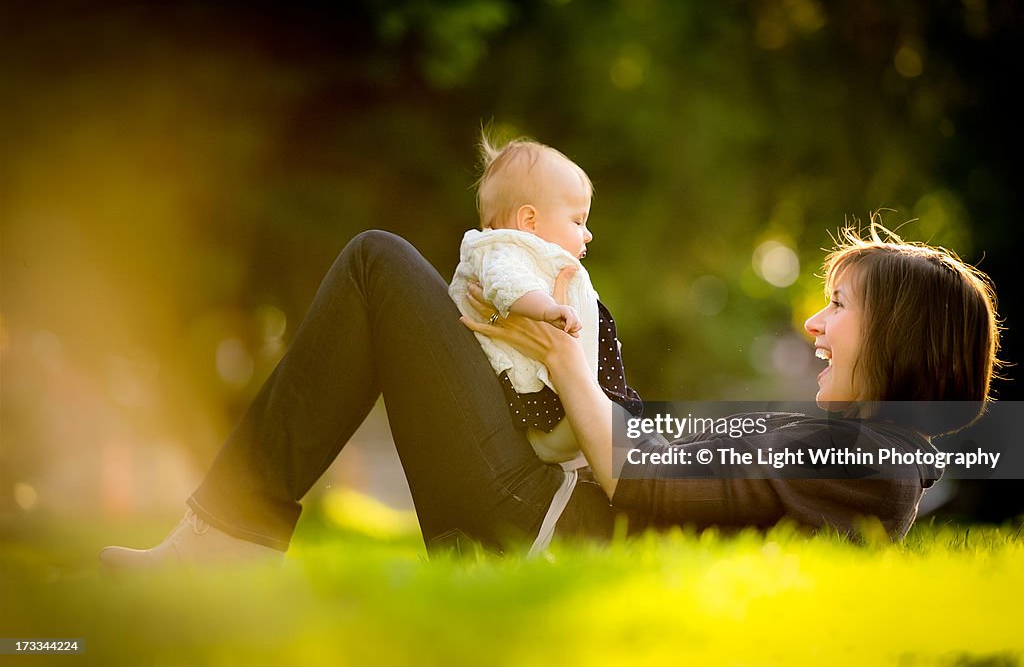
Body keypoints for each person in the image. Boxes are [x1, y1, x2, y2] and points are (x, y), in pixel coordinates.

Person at [99, 213, 1000, 569]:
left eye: (837, 307)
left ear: (900, 340)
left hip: (532, 524)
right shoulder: (858, 452)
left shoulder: (873, 462)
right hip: (546, 503)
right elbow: (670, 466)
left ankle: (222, 540)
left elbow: (644, 478)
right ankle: (225, 535)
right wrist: (572, 348)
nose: (813, 323)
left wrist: (569, 367)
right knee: (392, 272)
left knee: (378, 264)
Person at [448, 134, 642, 552]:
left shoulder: (536, 252)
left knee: (604, 417)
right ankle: (562, 444)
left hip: (563, 373)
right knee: (585, 422)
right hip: (534, 385)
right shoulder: (505, 250)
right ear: (530, 221)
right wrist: (546, 311)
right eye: (577, 221)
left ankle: (584, 439)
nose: (587, 234)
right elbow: (507, 285)